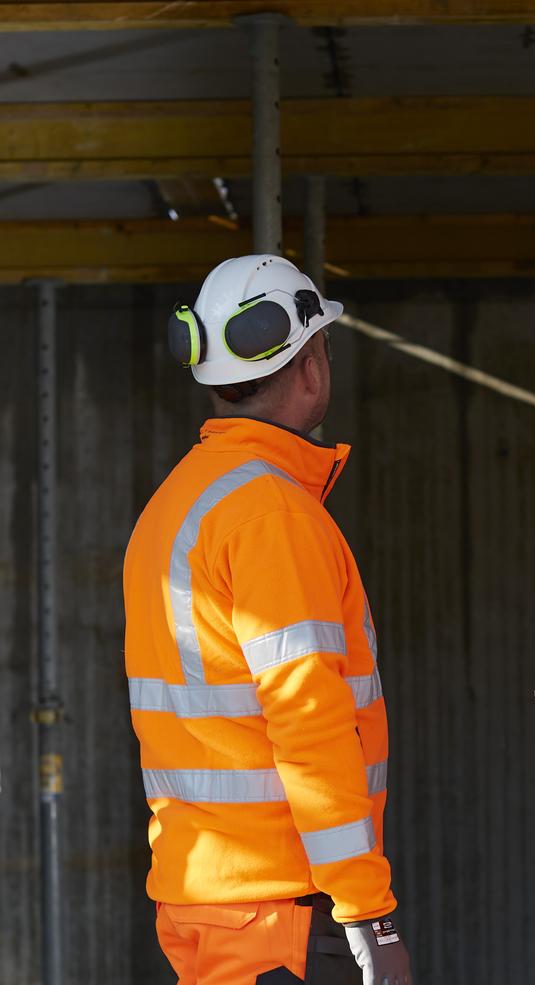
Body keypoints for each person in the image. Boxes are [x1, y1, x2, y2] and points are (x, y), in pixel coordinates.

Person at [123, 255, 412, 985]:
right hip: (281, 909)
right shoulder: (272, 515)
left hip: (203, 901)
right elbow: (310, 724)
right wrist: (369, 914)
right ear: (311, 366)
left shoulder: (176, 504)